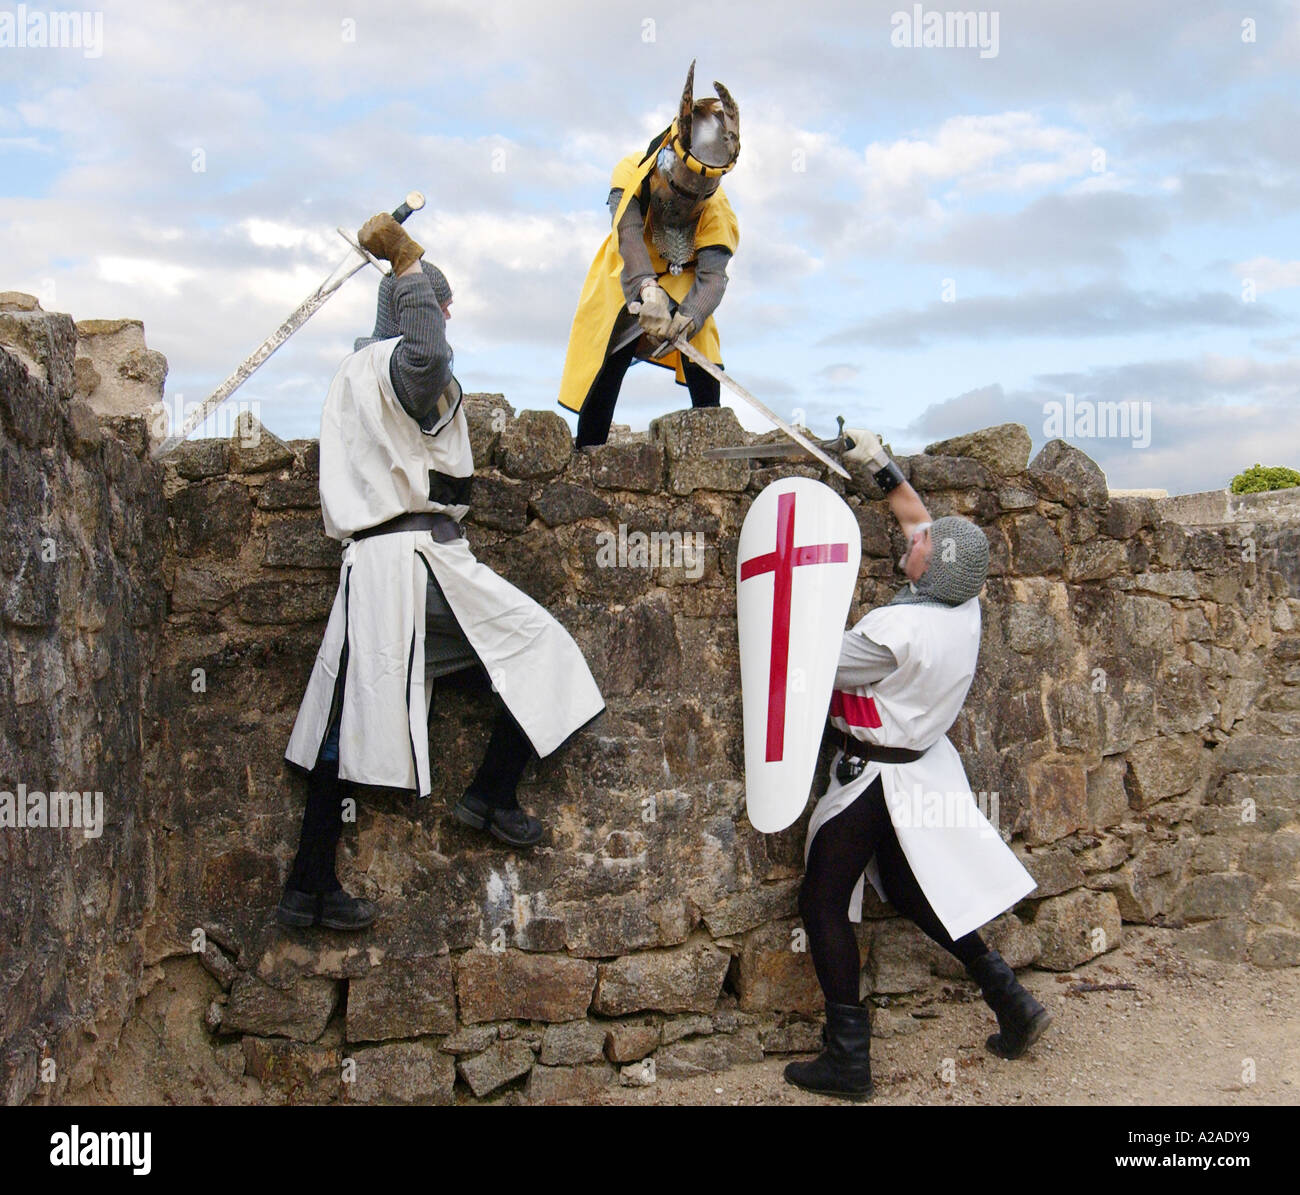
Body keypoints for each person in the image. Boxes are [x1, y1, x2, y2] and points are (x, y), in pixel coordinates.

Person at [277, 212, 605, 932]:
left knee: (350, 718)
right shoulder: (402, 365)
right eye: (441, 303)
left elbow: (395, 336)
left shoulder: (360, 369)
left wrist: (396, 287)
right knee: (539, 648)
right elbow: (426, 353)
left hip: (376, 570)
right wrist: (407, 265)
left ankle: (307, 882)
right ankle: (491, 794)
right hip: (417, 563)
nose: (447, 317)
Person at [784, 429, 1049, 1100]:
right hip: (922, 765)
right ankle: (1009, 996)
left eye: (922, 545)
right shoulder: (963, 602)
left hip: (874, 775)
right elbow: (918, 517)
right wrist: (878, 466)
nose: (914, 539)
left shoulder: (895, 634)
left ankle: (848, 1057)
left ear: (935, 568)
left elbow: (807, 654)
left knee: (822, 897)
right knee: (905, 889)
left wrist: (791, 578)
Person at [557, 60, 740, 446]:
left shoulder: (717, 210)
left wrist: (688, 317)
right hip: (626, 270)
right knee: (610, 343)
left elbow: (713, 278)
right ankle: (589, 449)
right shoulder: (631, 171)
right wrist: (646, 288)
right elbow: (627, 234)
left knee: (702, 345)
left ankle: (711, 444)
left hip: (683, 276)